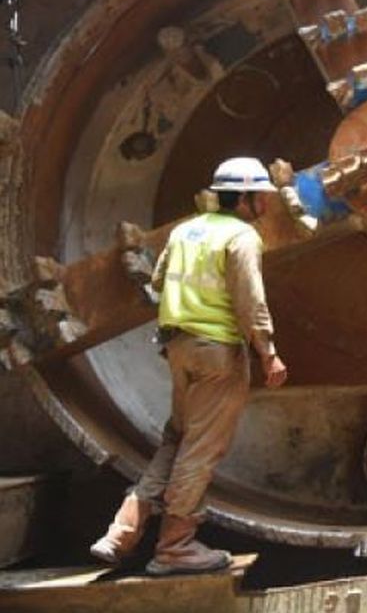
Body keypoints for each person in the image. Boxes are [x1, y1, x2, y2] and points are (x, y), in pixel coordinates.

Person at [90, 157, 288, 574]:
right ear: (248, 199)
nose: (268, 204)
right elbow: (250, 301)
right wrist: (268, 352)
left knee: (176, 440)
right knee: (200, 450)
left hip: (179, 349)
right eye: (263, 196)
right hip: (218, 353)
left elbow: (159, 281)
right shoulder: (241, 237)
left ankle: (121, 531)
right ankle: (175, 546)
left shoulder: (186, 230)